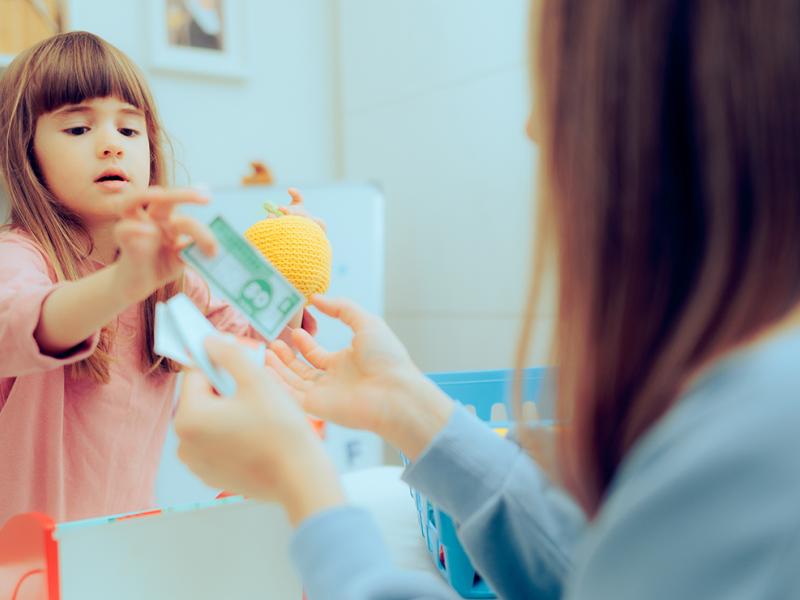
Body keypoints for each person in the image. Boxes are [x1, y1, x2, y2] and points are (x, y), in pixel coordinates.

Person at [174, 1, 800, 598]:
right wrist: (406, 406)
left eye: (561, 81)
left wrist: (299, 477)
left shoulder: (758, 436)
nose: (532, 128)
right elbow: (594, 569)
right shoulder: (754, 398)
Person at [0, 31, 316, 526]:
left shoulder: (169, 276)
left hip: (124, 543)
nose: (110, 145)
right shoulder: (19, 256)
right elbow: (20, 321)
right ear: (26, 152)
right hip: (21, 562)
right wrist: (124, 282)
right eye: (79, 129)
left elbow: (255, 340)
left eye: (129, 131)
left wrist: (293, 269)